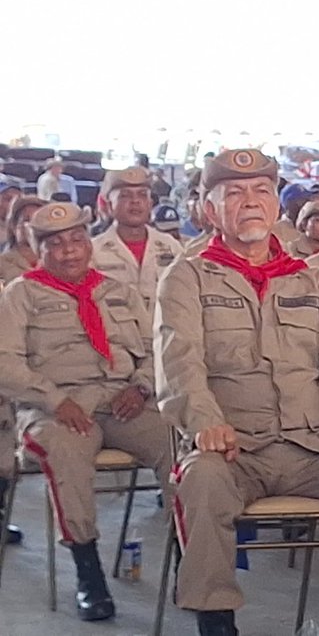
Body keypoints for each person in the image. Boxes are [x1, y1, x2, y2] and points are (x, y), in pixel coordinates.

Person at [156, 149, 319, 636]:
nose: (251, 202)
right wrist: (206, 424)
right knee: (200, 483)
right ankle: (216, 621)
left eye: (261, 191)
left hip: (314, 450)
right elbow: (179, 366)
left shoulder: (312, 281)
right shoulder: (187, 276)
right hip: (234, 452)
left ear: (275, 206)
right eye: (234, 193)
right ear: (209, 209)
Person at [0, 202, 171, 622]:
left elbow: (157, 349)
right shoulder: (19, 294)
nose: (70, 251)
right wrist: (56, 400)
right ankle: (87, 571)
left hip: (122, 401)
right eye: (56, 244)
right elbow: (5, 363)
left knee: (177, 442)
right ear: (37, 247)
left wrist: (142, 386)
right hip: (55, 407)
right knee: (66, 453)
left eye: (77, 240)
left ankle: (189, 554)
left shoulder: (117, 291)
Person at [90, 167, 184, 309]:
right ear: (109, 206)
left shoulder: (171, 246)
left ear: (151, 204)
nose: (135, 201)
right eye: (125, 195)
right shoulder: (93, 251)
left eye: (142, 195)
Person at [0, 197, 48, 283]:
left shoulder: (56, 262)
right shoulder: (2, 263)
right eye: (27, 220)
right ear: (13, 227)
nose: (33, 226)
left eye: (38, 220)